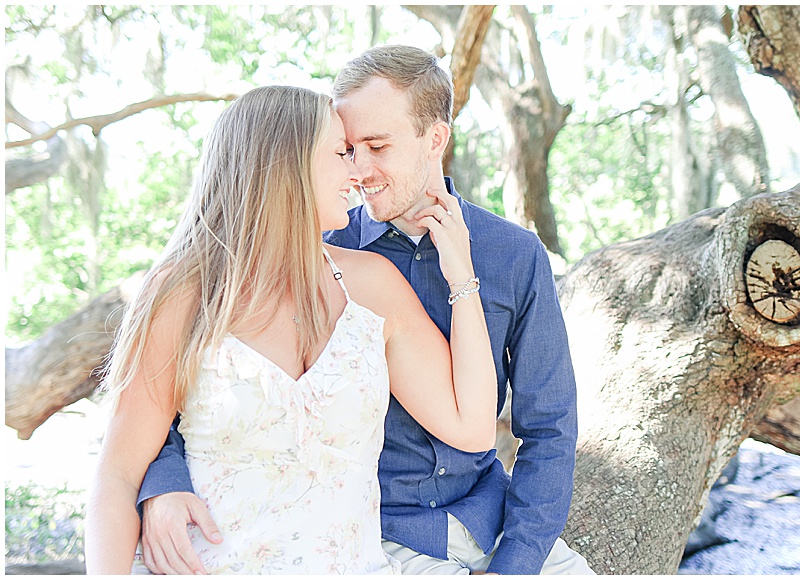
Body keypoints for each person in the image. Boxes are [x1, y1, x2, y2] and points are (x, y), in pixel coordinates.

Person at [138, 46, 594, 575]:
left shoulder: (513, 254)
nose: (358, 169)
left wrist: (519, 559)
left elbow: (550, 427)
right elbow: (199, 385)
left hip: (487, 515)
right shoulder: (321, 247)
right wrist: (162, 484)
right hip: (377, 533)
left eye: (377, 146)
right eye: (346, 149)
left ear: (436, 139)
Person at [84, 85, 500, 574]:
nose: (357, 171)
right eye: (341, 153)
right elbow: (116, 477)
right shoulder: (183, 295)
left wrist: (462, 278)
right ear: (288, 164)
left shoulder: (372, 286)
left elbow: (472, 429)